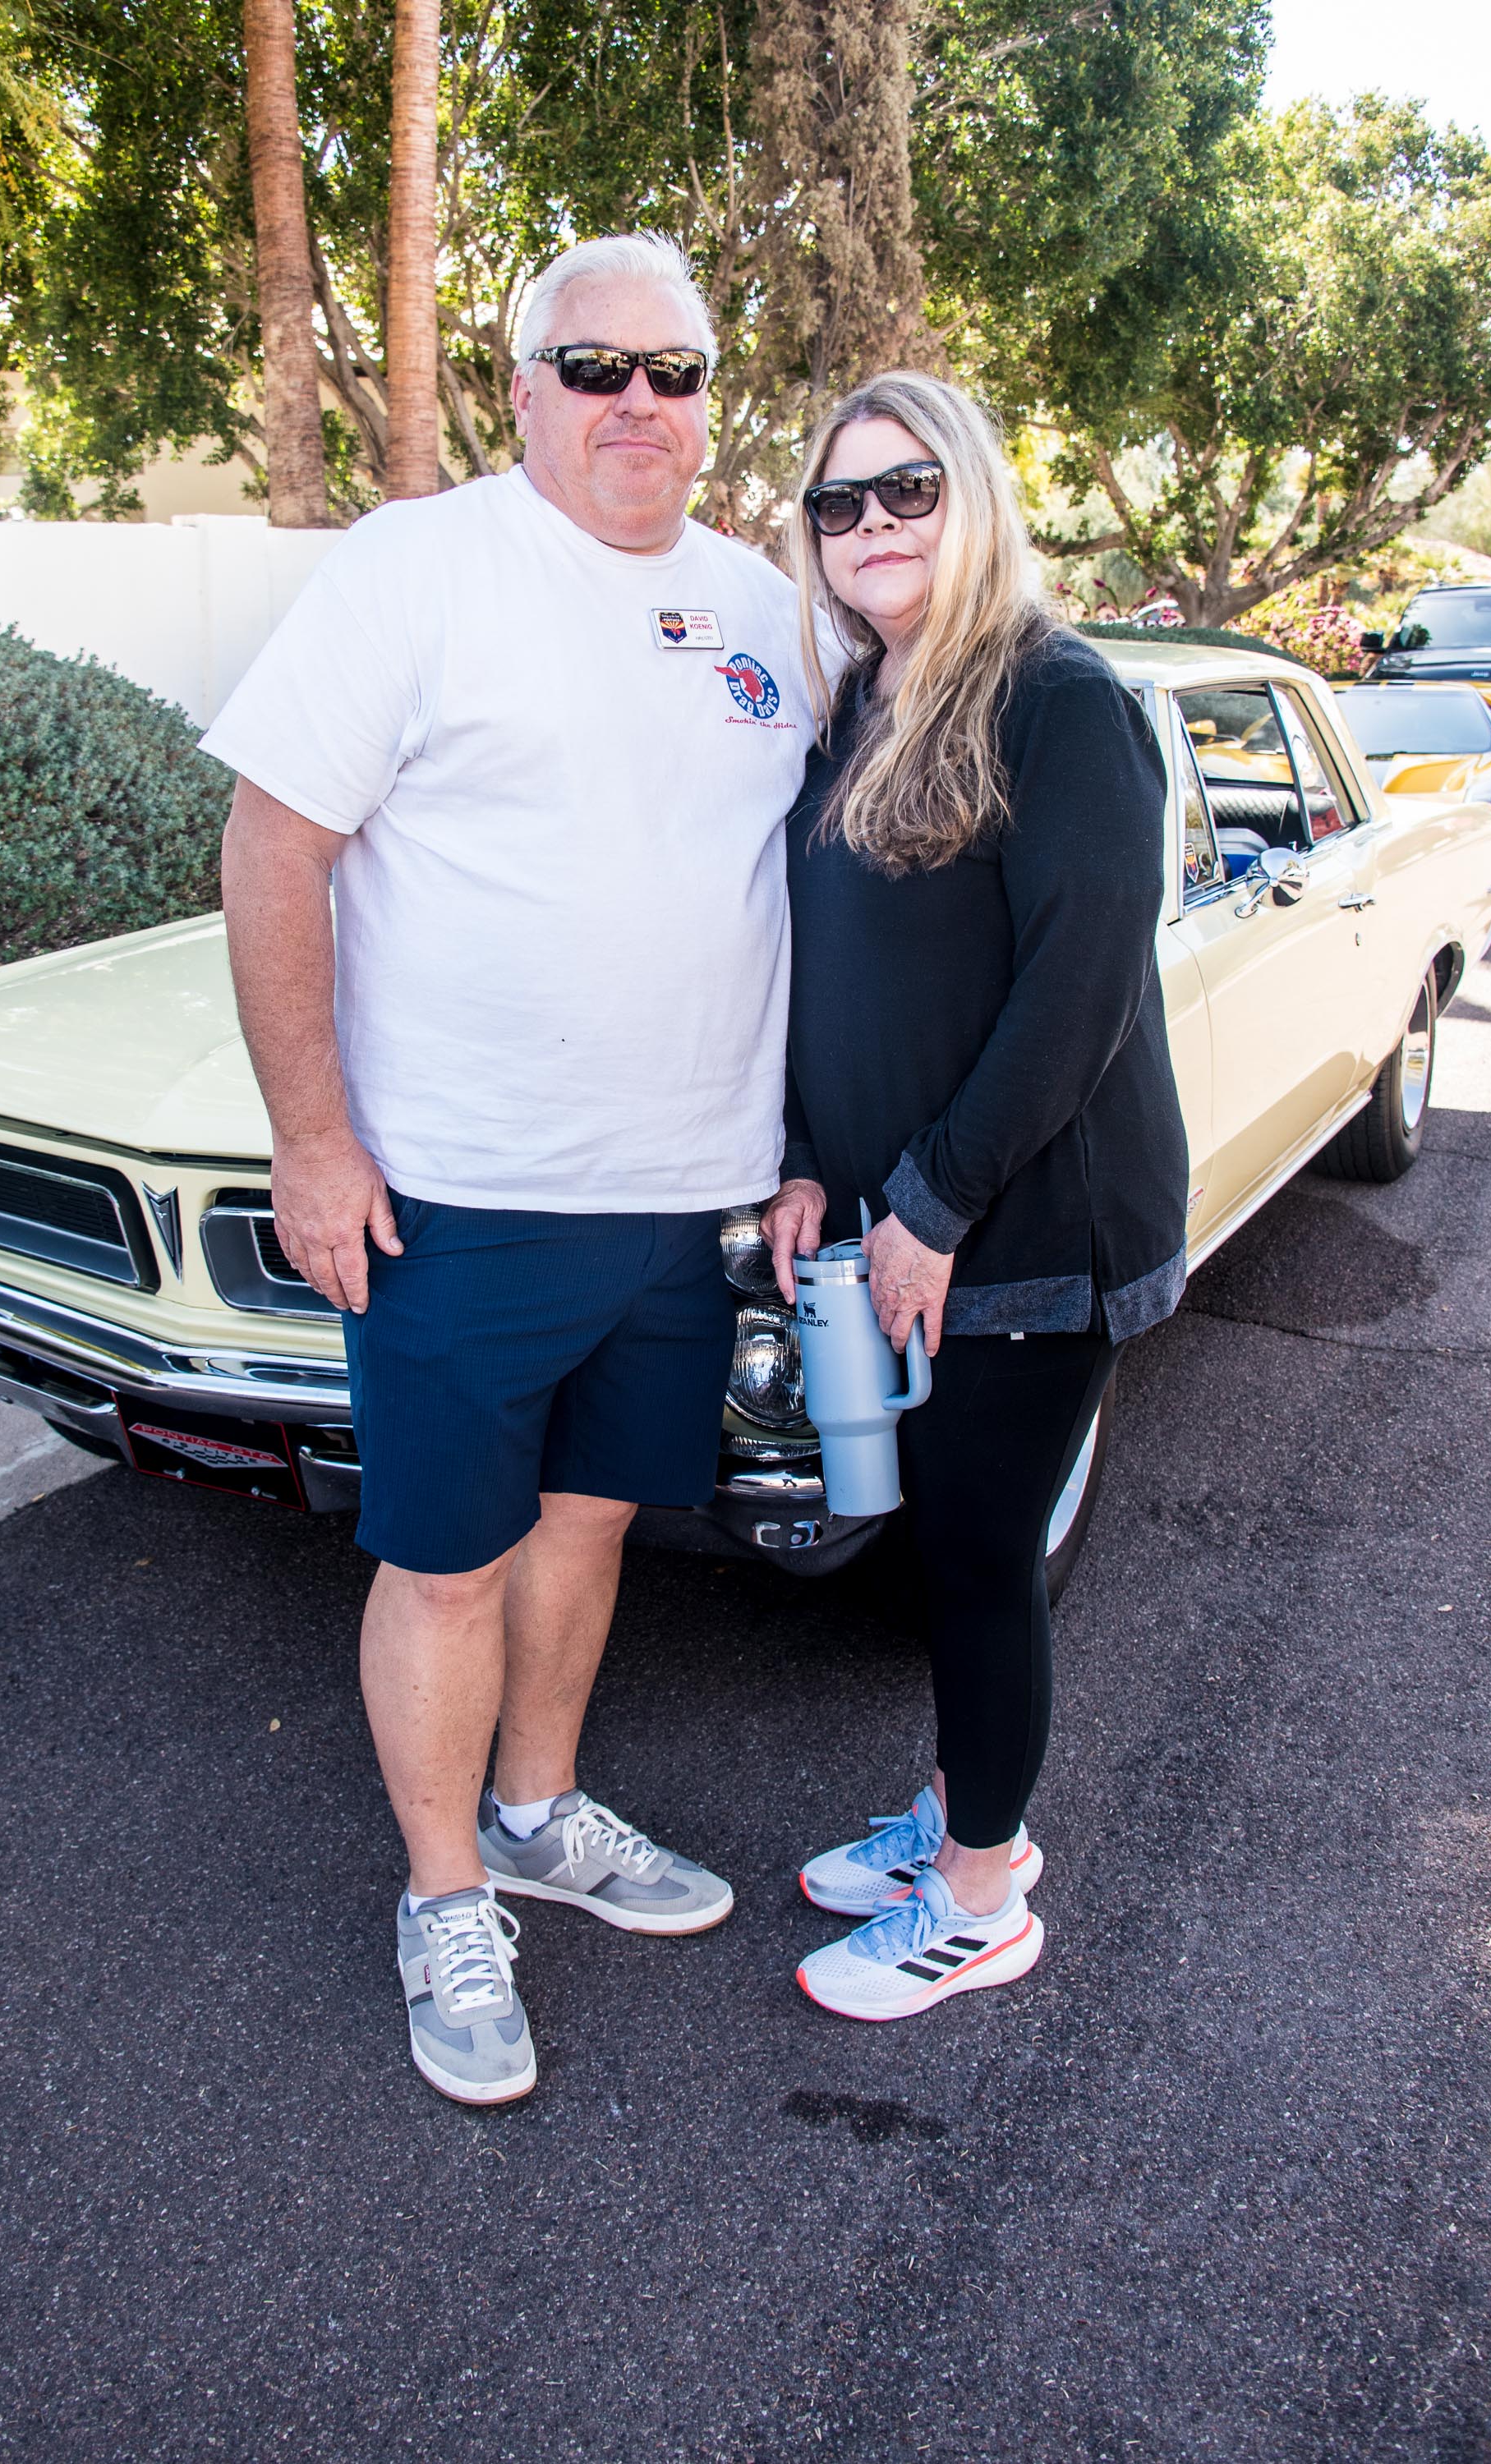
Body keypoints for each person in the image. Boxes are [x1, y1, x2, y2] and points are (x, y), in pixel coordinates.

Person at [204, 233, 810, 2104]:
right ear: (524, 385)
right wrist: (314, 1139)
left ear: (709, 401)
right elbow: (272, 848)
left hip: (686, 1196)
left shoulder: (763, 607)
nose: (639, 403)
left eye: (674, 371)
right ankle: (446, 1892)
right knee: (448, 1562)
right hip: (460, 1197)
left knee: (591, 1526)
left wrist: (811, 1151)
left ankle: (539, 1815)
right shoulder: (419, 567)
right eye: (595, 365)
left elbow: (809, 886)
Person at [761, 371, 1189, 2024]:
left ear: (976, 497)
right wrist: (813, 1157)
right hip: (905, 1213)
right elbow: (841, 971)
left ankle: (987, 1893)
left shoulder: (1058, 699)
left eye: (908, 490)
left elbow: (1080, 987)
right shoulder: (864, 701)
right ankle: (958, 1812)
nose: (871, 523)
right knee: (943, 1540)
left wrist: (934, 1203)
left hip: (1034, 1223)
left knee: (979, 1553)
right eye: (839, 502)